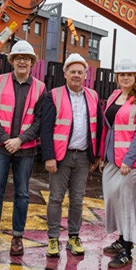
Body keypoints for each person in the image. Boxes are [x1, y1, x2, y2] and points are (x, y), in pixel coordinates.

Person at [0, 40, 46, 257]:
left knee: (22, 195)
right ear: (12, 61)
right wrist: (7, 139)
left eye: (26, 58)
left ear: (32, 62)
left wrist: (20, 140)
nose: (22, 61)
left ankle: (17, 237)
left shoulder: (40, 88)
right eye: (18, 58)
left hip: (25, 150)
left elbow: (39, 120)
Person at [40, 53, 101, 257]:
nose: (76, 75)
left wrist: (97, 155)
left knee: (77, 200)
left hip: (83, 157)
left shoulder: (93, 96)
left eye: (80, 72)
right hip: (61, 157)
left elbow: (98, 127)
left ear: (86, 74)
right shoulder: (54, 95)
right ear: (65, 73)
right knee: (56, 198)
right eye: (72, 71)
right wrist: (49, 156)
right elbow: (46, 128)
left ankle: (74, 236)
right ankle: (53, 238)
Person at [101, 58, 136, 268]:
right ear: (117, 77)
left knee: (128, 202)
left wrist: (128, 160)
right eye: (121, 75)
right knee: (114, 198)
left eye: (129, 75)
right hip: (112, 158)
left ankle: (127, 250)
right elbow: (109, 127)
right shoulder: (115, 95)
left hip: (130, 162)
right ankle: (121, 237)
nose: (125, 78)